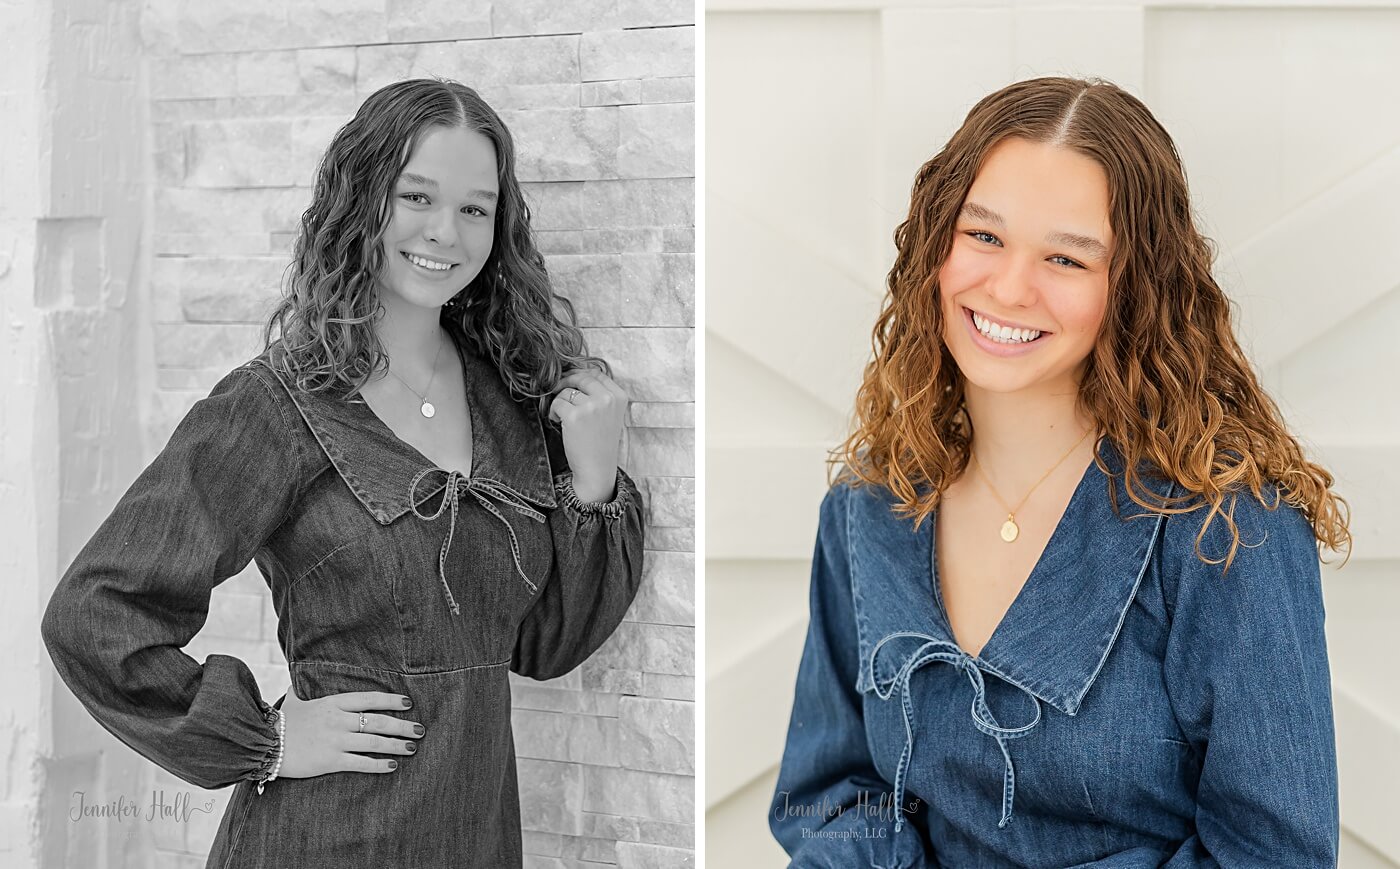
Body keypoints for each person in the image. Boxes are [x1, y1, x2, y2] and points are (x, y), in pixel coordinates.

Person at [41, 78, 647, 867]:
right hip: (321, 838)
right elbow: (94, 613)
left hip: (473, 836)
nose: (445, 233)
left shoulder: (508, 403)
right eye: (416, 196)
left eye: (475, 208)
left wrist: (591, 488)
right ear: (364, 201)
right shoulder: (279, 403)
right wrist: (268, 735)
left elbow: (541, 643)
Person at [768, 76, 1352, 868]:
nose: (1010, 287)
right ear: (935, 244)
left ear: (1133, 287)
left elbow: (1271, 852)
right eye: (983, 236)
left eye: (1067, 258)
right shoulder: (870, 504)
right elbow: (834, 791)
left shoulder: (1229, 527)